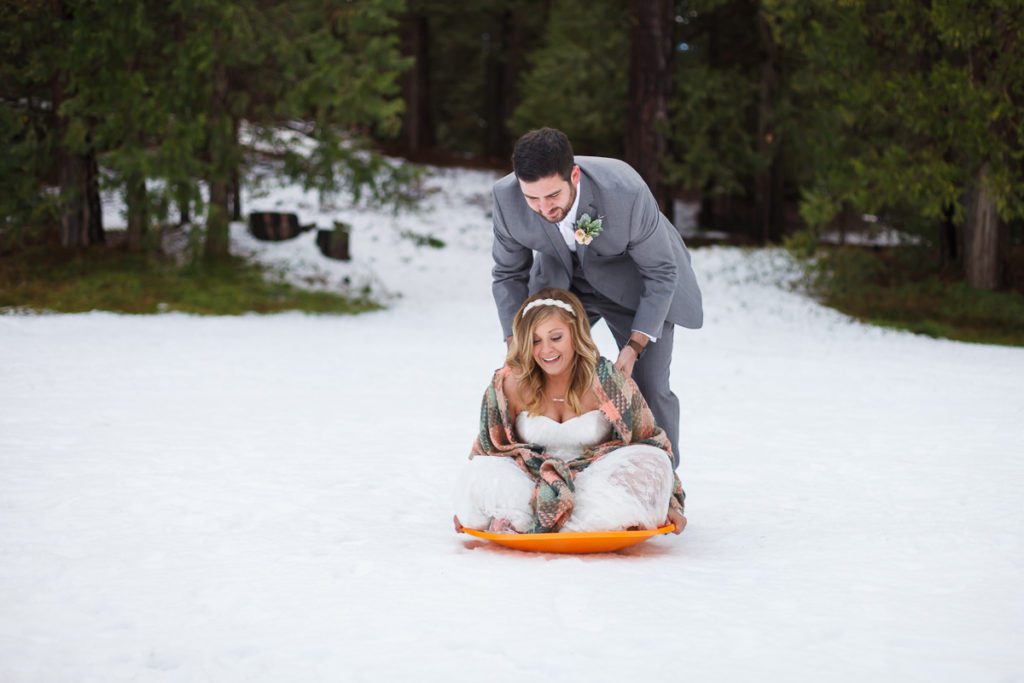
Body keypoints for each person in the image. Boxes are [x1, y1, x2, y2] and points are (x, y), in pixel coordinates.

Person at [491, 127, 703, 467]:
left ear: (573, 175)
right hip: (561, 285)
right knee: (535, 370)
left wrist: (634, 347)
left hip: (634, 285)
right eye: (532, 198)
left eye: (552, 196)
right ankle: (544, 471)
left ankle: (663, 480)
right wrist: (516, 343)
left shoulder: (626, 192)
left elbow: (661, 272)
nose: (543, 208)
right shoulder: (506, 198)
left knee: (649, 385)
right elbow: (508, 274)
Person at [454, 289, 686, 535]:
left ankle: (530, 526)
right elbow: (488, 447)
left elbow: (649, 440)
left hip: (594, 482)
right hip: (530, 484)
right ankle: (567, 524)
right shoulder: (511, 381)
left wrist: (668, 501)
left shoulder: (606, 379)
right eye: (535, 340)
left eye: (556, 337)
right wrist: (473, 496)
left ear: (575, 335)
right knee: (482, 469)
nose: (546, 350)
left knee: (654, 461)